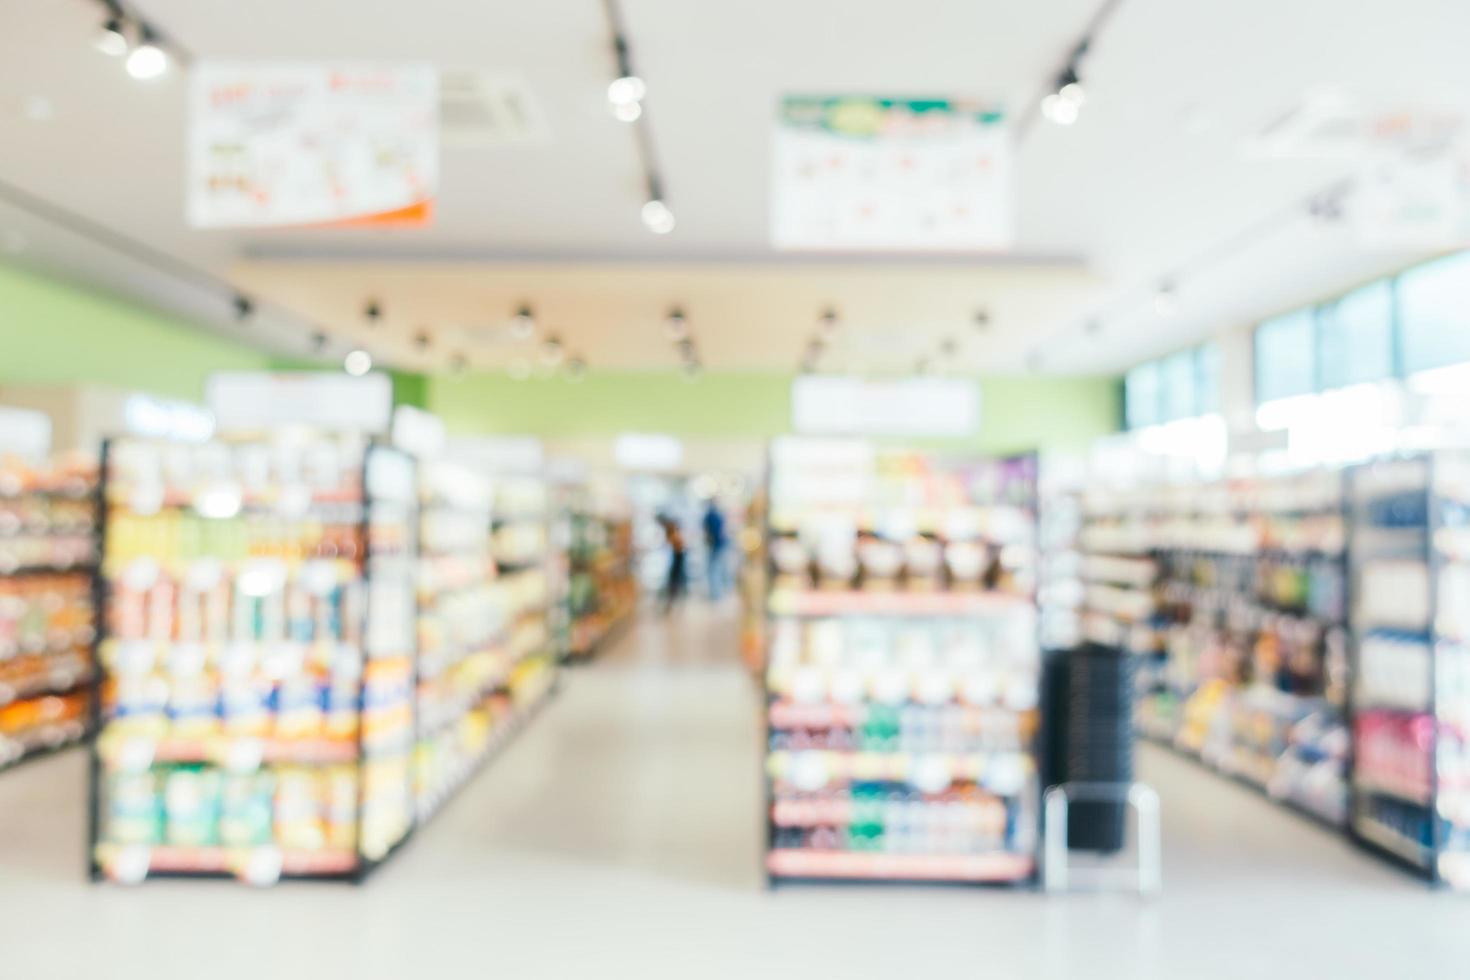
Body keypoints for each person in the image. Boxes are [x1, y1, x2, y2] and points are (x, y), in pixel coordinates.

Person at [702, 499, 729, 600]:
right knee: (718, 569)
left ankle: (716, 593)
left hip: (715, 546)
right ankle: (718, 592)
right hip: (720, 546)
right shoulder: (718, 516)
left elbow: (707, 532)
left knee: (714, 570)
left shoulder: (709, 516)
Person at [660, 514, 687, 613]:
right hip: (678, 558)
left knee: (674, 581)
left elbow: (673, 544)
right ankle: (671, 601)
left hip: (678, 559)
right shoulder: (676, 535)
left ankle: (671, 602)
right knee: (674, 580)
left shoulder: (675, 535)